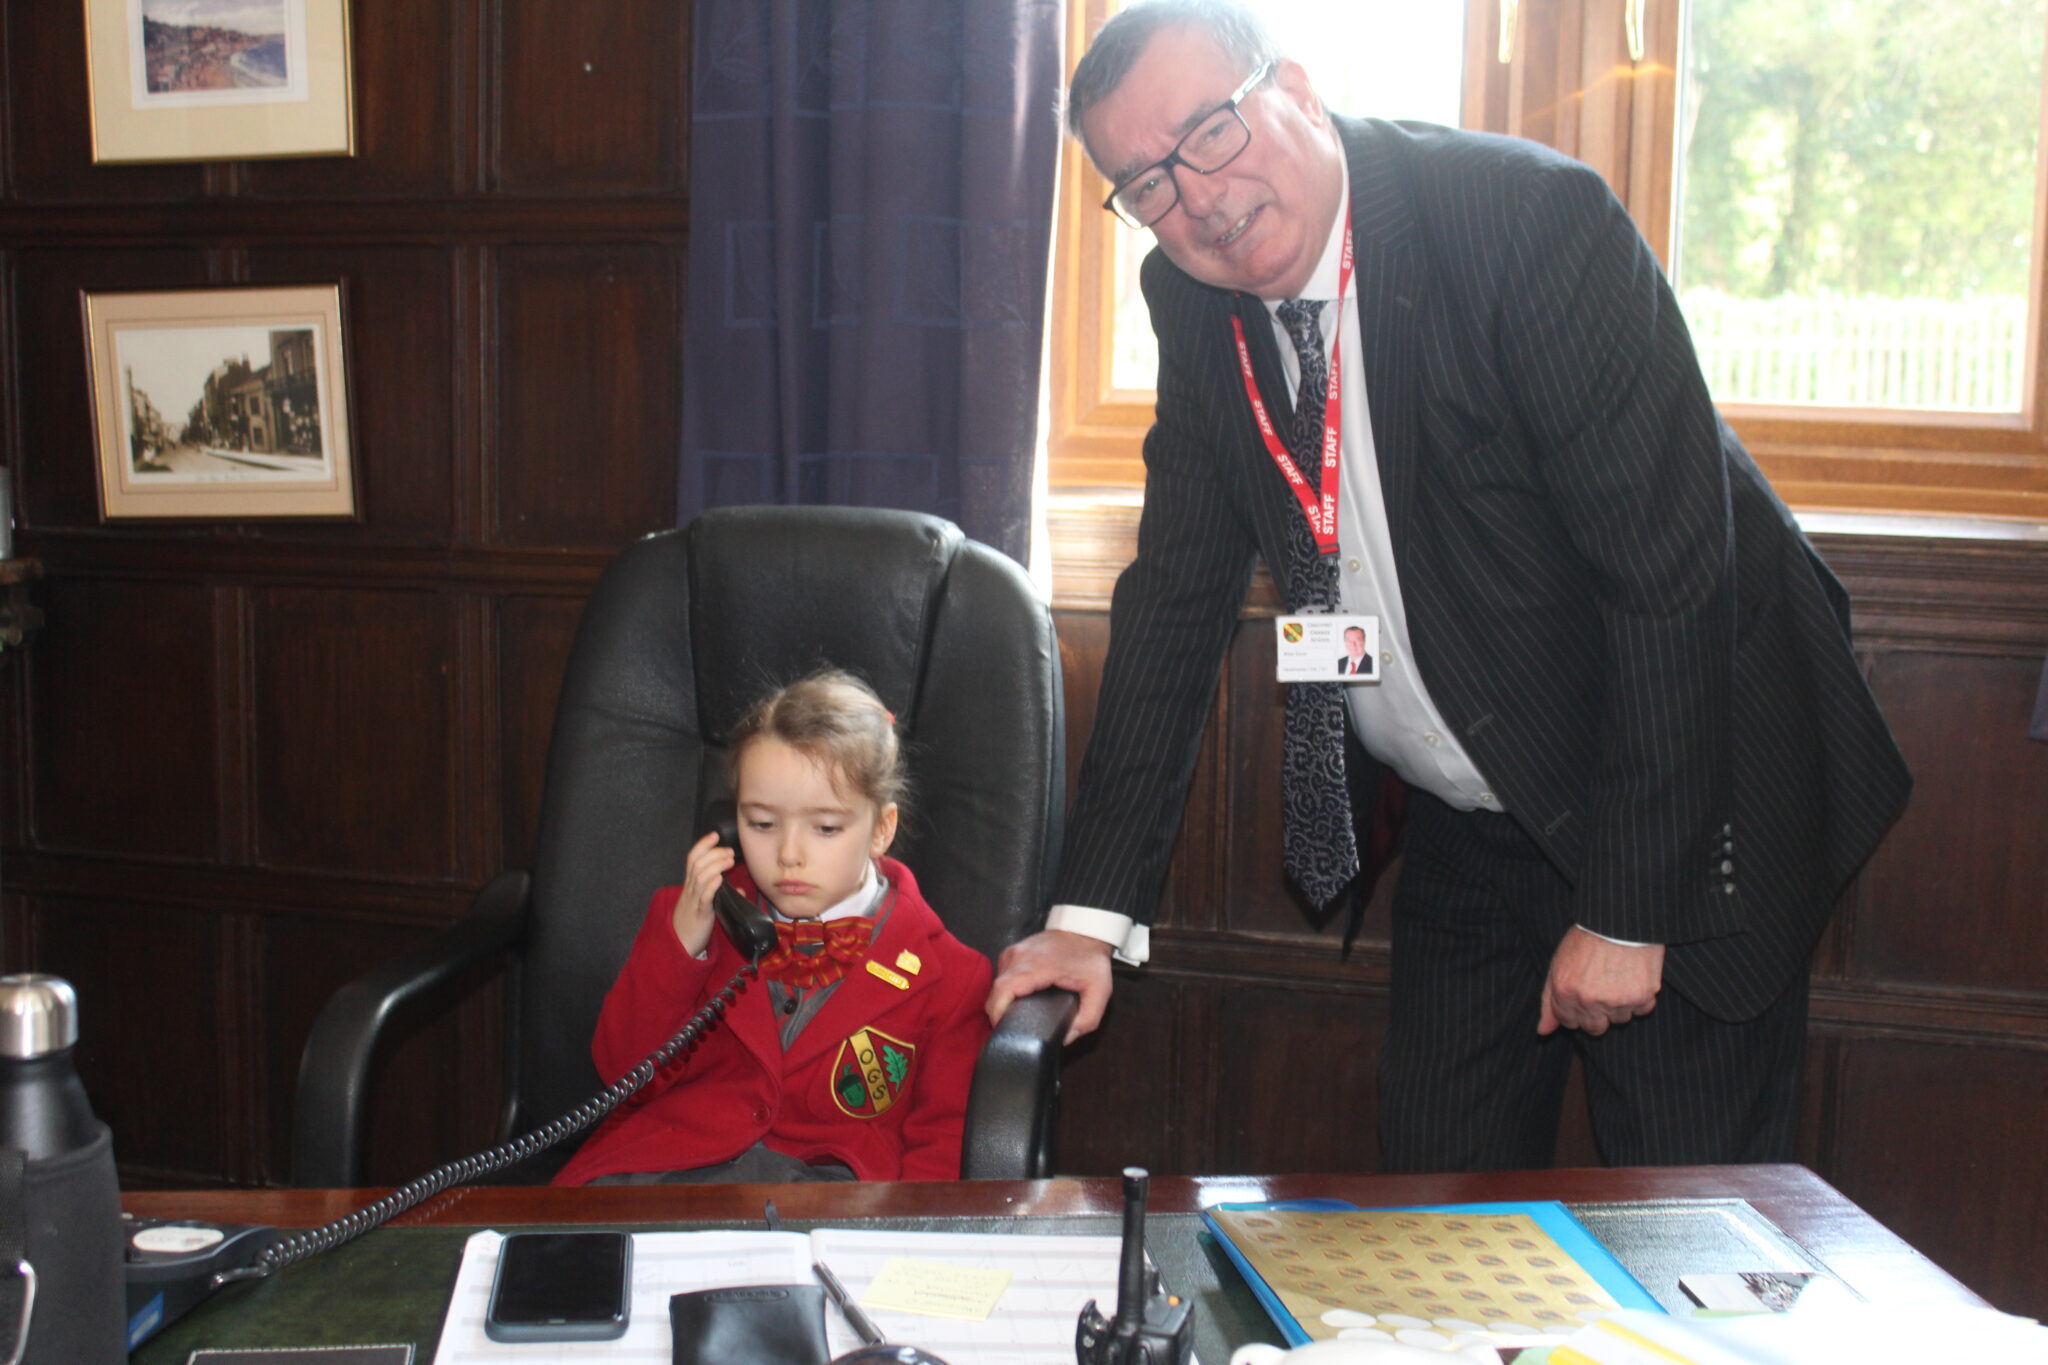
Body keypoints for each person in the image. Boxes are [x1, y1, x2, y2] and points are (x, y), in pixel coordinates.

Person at [986, 0, 1910, 1169]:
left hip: (1681, 791)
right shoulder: (1195, 299)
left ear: (1299, 91)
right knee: (1427, 1204)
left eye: (1210, 133)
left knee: (1686, 1226)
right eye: (1147, 183)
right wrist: (1085, 925)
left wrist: (1629, 909)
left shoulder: (1523, 220)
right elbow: (1171, 603)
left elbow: (1672, 582)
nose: (1198, 198)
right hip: (1472, 814)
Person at [557, 670, 993, 1184]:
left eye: (826, 828)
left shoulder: (953, 977)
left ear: (881, 828)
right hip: (671, 1174)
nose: (788, 855)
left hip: (824, 1200)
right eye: (761, 824)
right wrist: (682, 949)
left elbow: (942, 1146)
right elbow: (622, 1074)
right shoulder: (693, 918)